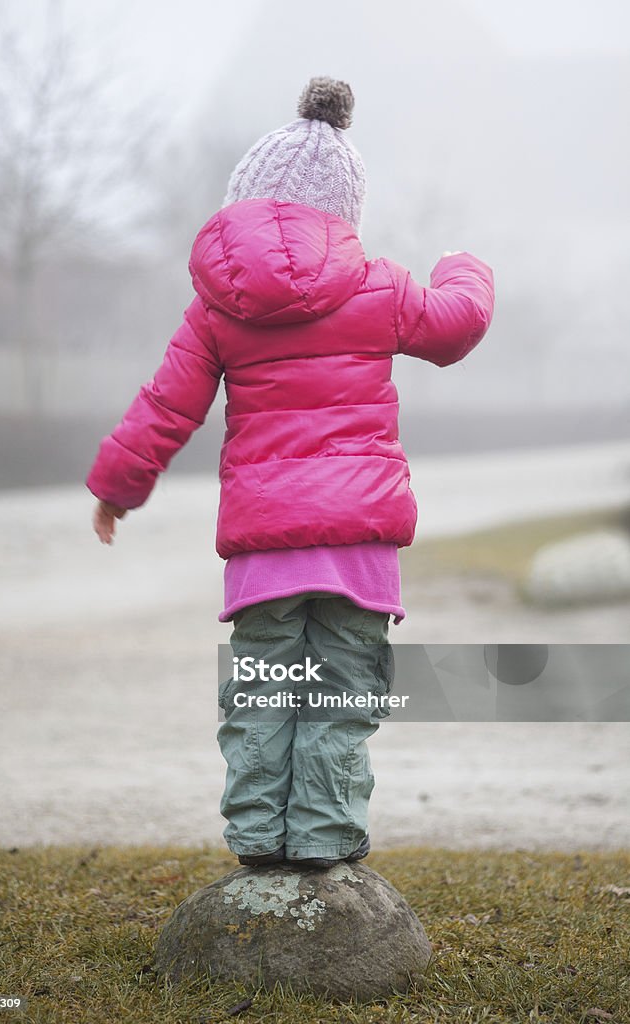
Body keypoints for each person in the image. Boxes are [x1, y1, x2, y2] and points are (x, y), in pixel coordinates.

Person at [86, 76, 495, 870]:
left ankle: (254, 841)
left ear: (246, 197)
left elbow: (166, 406)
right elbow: (456, 327)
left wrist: (116, 485)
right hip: (356, 546)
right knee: (339, 694)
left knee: (264, 698)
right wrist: (462, 265)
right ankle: (323, 837)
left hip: (264, 548)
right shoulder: (378, 286)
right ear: (343, 213)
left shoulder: (215, 305)